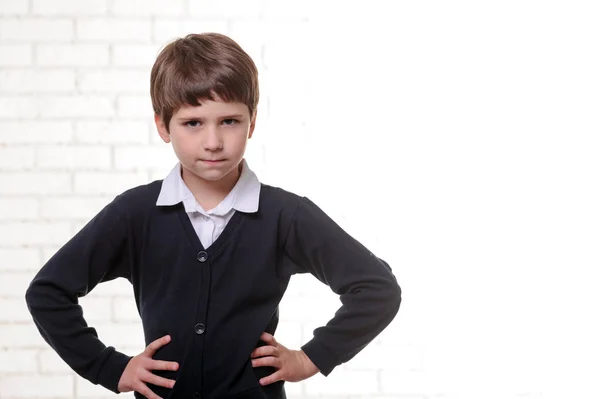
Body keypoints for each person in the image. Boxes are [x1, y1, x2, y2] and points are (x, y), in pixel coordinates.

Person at [25, 32, 401, 399]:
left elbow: (376, 288)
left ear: (252, 122)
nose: (213, 141)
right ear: (162, 126)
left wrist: (312, 357)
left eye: (229, 121)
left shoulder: (285, 215)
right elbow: (48, 292)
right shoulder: (135, 213)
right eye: (193, 123)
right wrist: (110, 367)